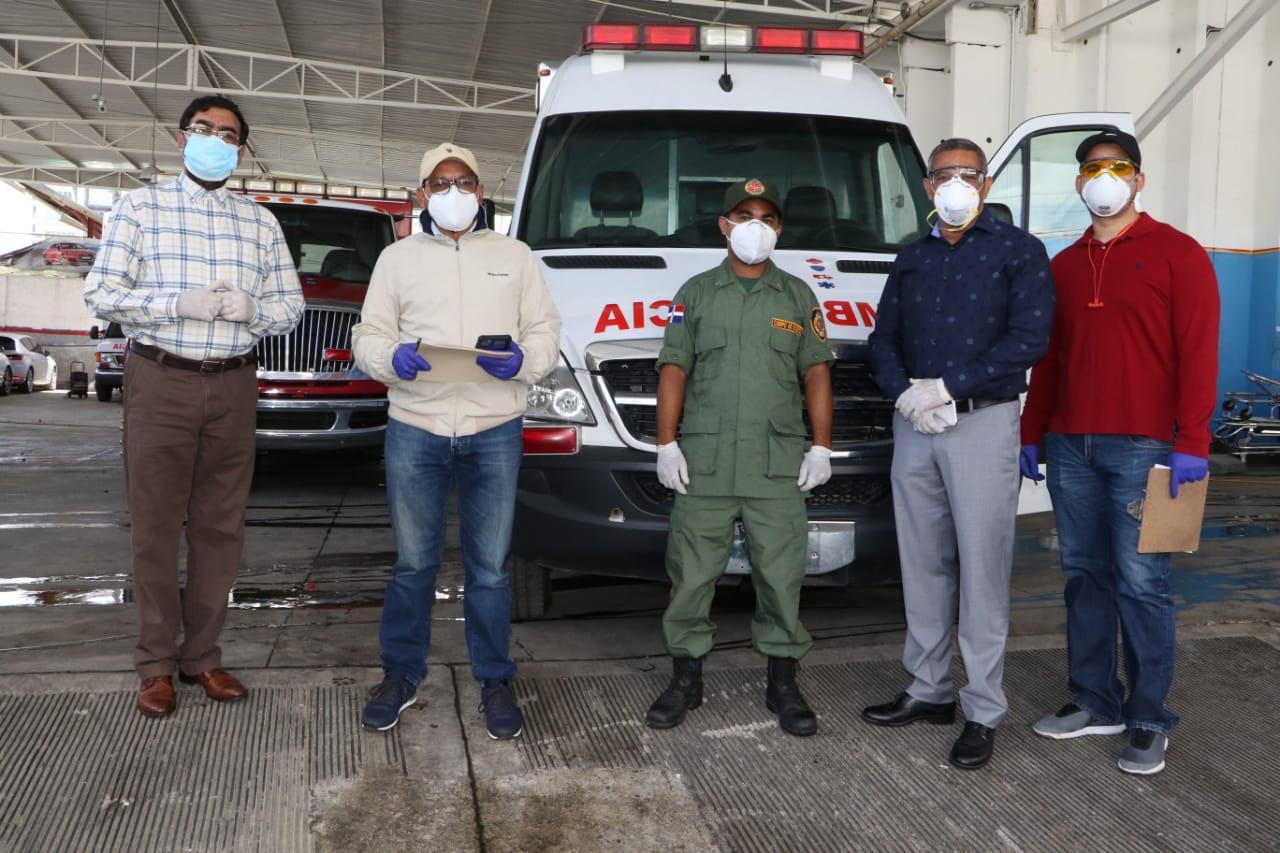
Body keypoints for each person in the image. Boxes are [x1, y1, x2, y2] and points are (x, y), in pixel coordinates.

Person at [84, 94, 304, 717]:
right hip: (162, 380)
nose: (215, 139)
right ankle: (154, 663)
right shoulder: (138, 207)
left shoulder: (259, 222)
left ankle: (202, 656)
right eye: (204, 129)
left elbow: (291, 308)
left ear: (241, 149)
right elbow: (101, 293)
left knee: (220, 526)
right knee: (155, 527)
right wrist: (174, 304)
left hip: (233, 383)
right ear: (182, 139)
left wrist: (253, 311)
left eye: (229, 134)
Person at [1020, 130, 1218, 775]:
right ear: (1078, 183)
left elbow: (1198, 351)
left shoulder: (1178, 254)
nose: (1103, 178)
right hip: (1071, 445)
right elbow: (1049, 360)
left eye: (1117, 167)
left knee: (1143, 583)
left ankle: (1149, 717)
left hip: (1146, 446)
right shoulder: (1065, 265)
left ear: (1139, 179)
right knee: (1084, 576)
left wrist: (1192, 439)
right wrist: (1032, 430)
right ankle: (1095, 700)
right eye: (1092, 169)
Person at [352, 142, 561, 738]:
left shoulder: (515, 256)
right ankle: (400, 674)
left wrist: (525, 360)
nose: (453, 193)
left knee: (491, 569)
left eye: (463, 182)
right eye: (440, 184)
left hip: (493, 428)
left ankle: (495, 680)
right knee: (414, 563)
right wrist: (390, 358)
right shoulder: (397, 260)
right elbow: (369, 333)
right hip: (416, 426)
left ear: (481, 189)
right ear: (422, 194)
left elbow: (545, 330)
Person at [863, 138, 1054, 770]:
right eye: (942, 175)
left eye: (967, 174)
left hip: (981, 423)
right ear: (925, 188)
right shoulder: (911, 257)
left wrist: (951, 386)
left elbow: (1030, 337)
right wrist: (908, 394)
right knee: (921, 563)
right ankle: (928, 690)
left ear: (987, 182)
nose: (954, 184)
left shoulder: (1018, 251)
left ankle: (983, 708)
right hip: (916, 424)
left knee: (982, 567)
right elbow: (882, 337)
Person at [643, 178, 834, 737]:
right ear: (724, 225)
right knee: (693, 574)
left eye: (768, 217)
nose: (757, 226)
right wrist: (665, 441)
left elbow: (816, 371)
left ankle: (782, 682)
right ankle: (686, 678)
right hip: (704, 461)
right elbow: (673, 368)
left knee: (781, 576)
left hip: (774, 465)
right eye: (745, 215)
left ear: (779, 229)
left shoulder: (798, 296)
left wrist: (821, 444)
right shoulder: (696, 293)